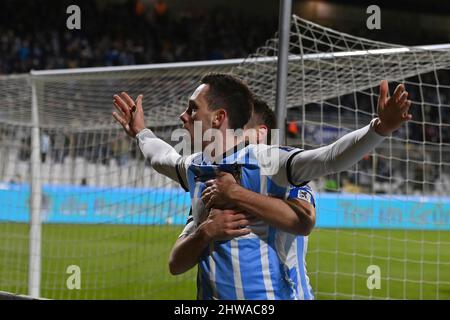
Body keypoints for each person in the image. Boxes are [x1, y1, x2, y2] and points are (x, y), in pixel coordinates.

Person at [112, 72, 412, 299]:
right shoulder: (195, 168)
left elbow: (328, 158)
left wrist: (379, 129)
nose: (183, 116)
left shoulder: (268, 161)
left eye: (192, 109)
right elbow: (161, 156)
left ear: (218, 118)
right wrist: (141, 132)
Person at [169, 98, 317, 299]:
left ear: (260, 133)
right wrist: (205, 232)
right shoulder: (213, 181)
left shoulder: (286, 177)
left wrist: (237, 194)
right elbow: (175, 264)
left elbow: (305, 221)